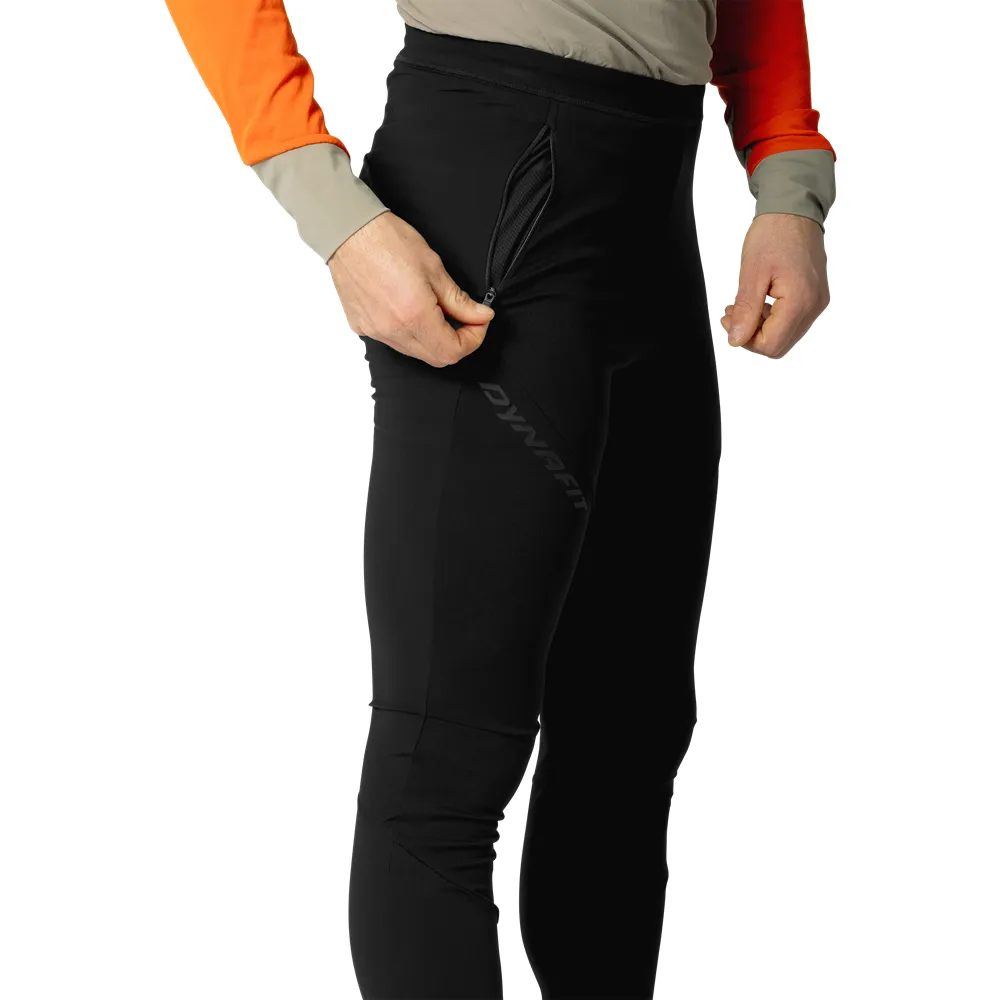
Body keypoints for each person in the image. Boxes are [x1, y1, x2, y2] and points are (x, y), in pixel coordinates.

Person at [163, 2, 836, 997]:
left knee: (628, 730)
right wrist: (331, 209)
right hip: (493, 178)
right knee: (448, 756)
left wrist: (786, 172)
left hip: (653, 197)